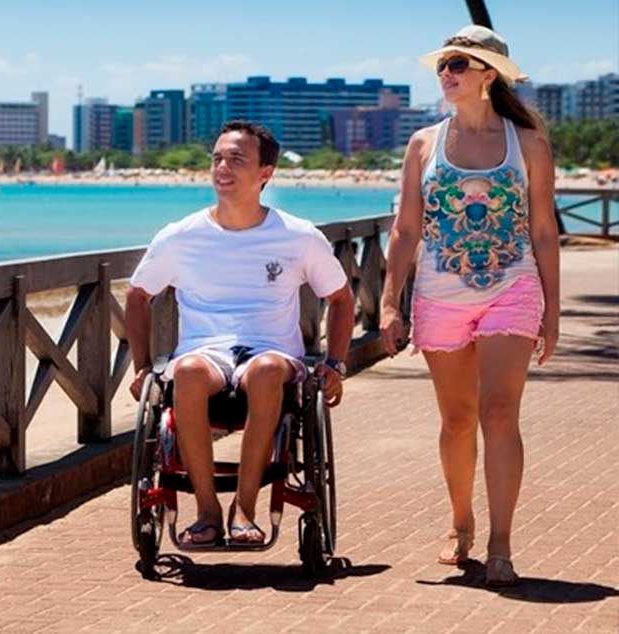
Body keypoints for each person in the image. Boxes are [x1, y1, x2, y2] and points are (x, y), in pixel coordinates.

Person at [380, 25, 559, 587]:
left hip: (513, 286)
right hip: (440, 293)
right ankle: (462, 524)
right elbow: (406, 230)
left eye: (460, 64)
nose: (448, 73)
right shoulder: (423, 144)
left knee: (499, 413)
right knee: (457, 421)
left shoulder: (527, 143)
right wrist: (390, 302)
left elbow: (546, 231)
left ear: (489, 76)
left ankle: (502, 544)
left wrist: (552, 312)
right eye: (444, 64)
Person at [125, 121, 355, 547]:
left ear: (265, 173)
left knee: (267, 369)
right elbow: (137, 296)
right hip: (204, 353)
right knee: (189, 371)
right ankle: (207, 511)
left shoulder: (298, 235)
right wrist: (141, 366)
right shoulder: (182, 236)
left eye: (236, 159)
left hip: (271, 353)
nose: (222, 167)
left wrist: (335, 364)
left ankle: (245, 509)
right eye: (217, 159)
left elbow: (341, 299)